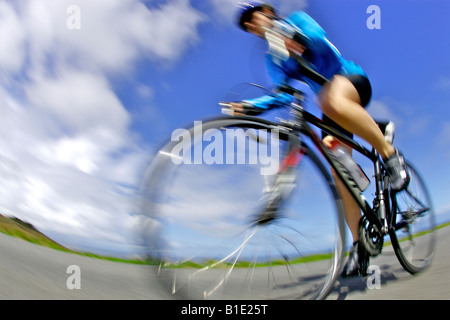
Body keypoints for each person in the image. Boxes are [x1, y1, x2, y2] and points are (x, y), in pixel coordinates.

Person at [231, 1, 410, 277]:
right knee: (339, 172)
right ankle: (359, 245)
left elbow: (319, 41)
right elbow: (283, 94)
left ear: (267, 12)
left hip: (350, 80)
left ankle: (389, 154)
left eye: (252, 19)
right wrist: (251, 107)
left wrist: (295, 38)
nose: (252, 27)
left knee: (330, 98)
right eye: (247, 27)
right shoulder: (273, 58)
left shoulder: (297, 21)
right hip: (331, 106)